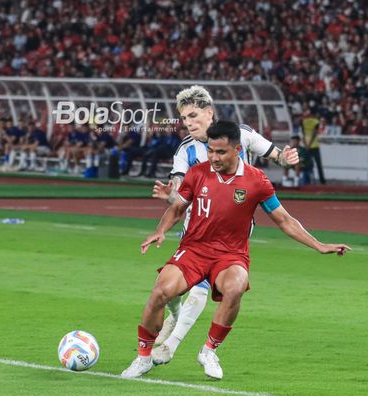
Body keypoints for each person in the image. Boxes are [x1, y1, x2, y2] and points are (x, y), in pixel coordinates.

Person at [121, 121, 350, 380]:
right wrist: (160, 230)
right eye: (210, 151)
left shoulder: (256, 181)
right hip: (195, 249)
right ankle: (143, 359)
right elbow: (178, 208)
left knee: (236, 286)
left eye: (221, 152)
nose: (214, 157)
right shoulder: (198, 173)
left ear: (238, 150)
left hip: (231, 255)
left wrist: (319, 245)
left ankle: (208, 351)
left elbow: (284, 220)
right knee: (160, 290)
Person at [149, 85, 299, 366]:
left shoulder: (241, 135)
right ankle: (175, 313)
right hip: (196, 228)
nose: (189, 123)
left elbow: (276, 155)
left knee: (201, 288)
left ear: (209, 113)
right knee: (171, 290)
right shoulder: (185, 150)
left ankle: (170, 346)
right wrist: (168, 195)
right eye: (184, 119)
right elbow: (178, 194)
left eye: (193, 115)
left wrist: (287, 159)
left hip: (232, 231)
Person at [301, 107, 326, 184]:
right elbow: (315, 133)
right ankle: (322, 181)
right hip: (314, 145)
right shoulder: (316, 121)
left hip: (306, 146)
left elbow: (303, 135)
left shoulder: (303, 122)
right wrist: (310, 144)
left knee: (307, 164)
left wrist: (306, 145)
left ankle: (307, 181)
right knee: (318, 165)